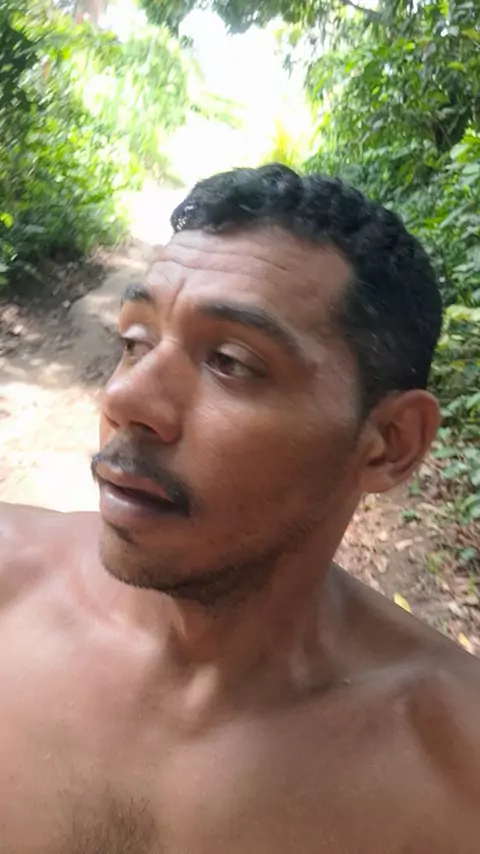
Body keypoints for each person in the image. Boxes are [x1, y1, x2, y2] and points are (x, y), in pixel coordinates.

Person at [1, 164, 480, 854]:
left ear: (389, 444)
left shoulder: (454, 772)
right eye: (134, 343)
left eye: (230, 361)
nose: (126, 400)